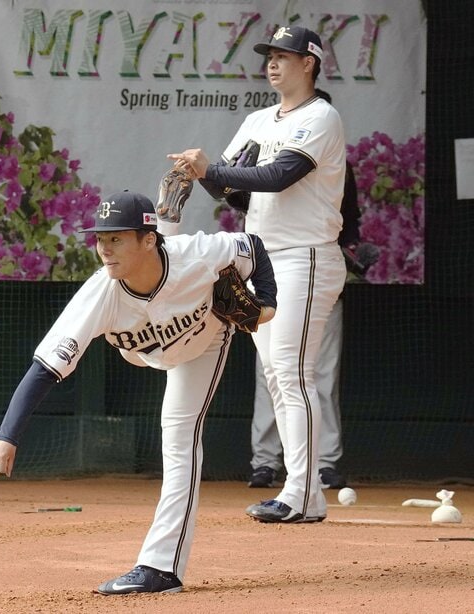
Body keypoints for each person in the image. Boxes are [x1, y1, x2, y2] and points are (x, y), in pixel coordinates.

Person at [0, 190, 277, 594]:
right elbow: (45, 369)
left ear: (147, 239)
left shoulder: (201, 254)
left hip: (202, 342)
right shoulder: (100, 292)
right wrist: (6, 434)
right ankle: (165, 210)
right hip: (141, 351)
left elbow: (254, 248)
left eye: (116, 238)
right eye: (100, 239)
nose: (104, 248)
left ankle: (161, 568)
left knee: (178, 439)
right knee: (140, 332)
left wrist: (267, 307)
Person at [168, 25, 347, 523]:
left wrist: (213, 171)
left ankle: (302, 491)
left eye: (283, 55)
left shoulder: (321, 117)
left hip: (306, 255)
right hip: (263, 258)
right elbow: (237, 193)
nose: (272, 62)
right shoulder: (257, 119)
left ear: (308, 62)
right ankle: (304, 493)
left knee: (291, 372)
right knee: (277, 375)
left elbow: (278, 175)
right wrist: (201, 176)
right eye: (269, 54)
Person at [248, 90, 360, 490]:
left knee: (305, 373)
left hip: (313, 270)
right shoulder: (266, 142)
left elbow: (350, 226)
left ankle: (317, 471)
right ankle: (269, 463)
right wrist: (216, 177)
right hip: (271, 266)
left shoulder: (329, 152)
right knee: (277, 372)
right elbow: (246, 194)